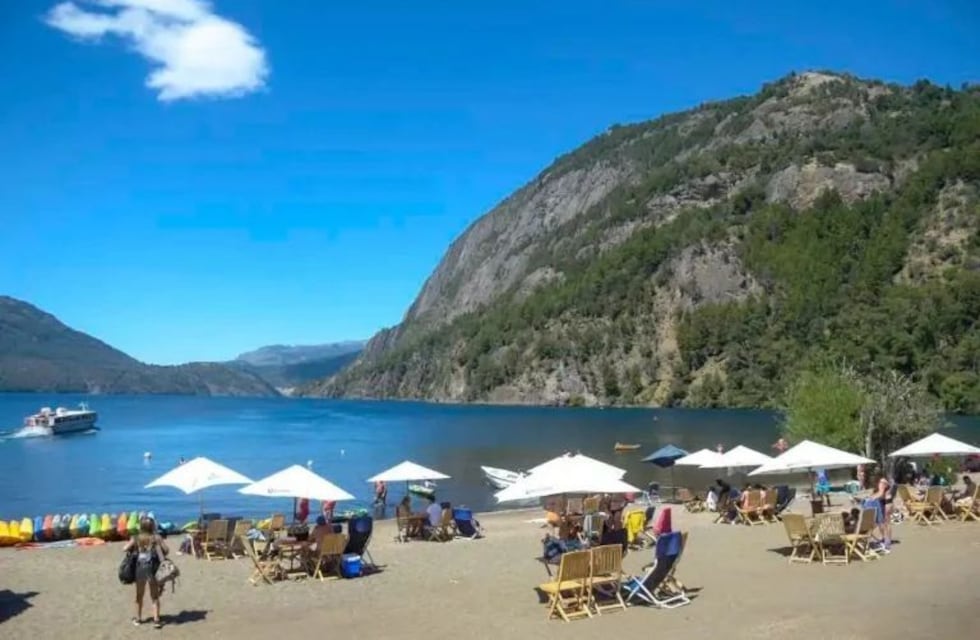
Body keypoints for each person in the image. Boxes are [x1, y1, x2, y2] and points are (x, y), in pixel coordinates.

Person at [123, 517, 169, 628]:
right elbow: (167, 550)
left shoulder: (136, 538)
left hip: (140, 568)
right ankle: (156, 620)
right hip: (153, 568)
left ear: (141, 526)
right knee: (154, 595)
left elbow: (124, 548)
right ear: (152, 526)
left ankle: (138, 619)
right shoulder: (156, 537)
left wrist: (134, 549)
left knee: (139, 595)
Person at [868, 475, 893, 554]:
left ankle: (887, 540)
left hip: (887, 502)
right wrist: (872, 497)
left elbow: (881, 493)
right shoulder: (880, 482)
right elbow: (878, 493)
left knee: (886, 522)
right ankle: (883, 538)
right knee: (881, 522)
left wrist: (872, 498)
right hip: (882, 502)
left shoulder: (882, 481)